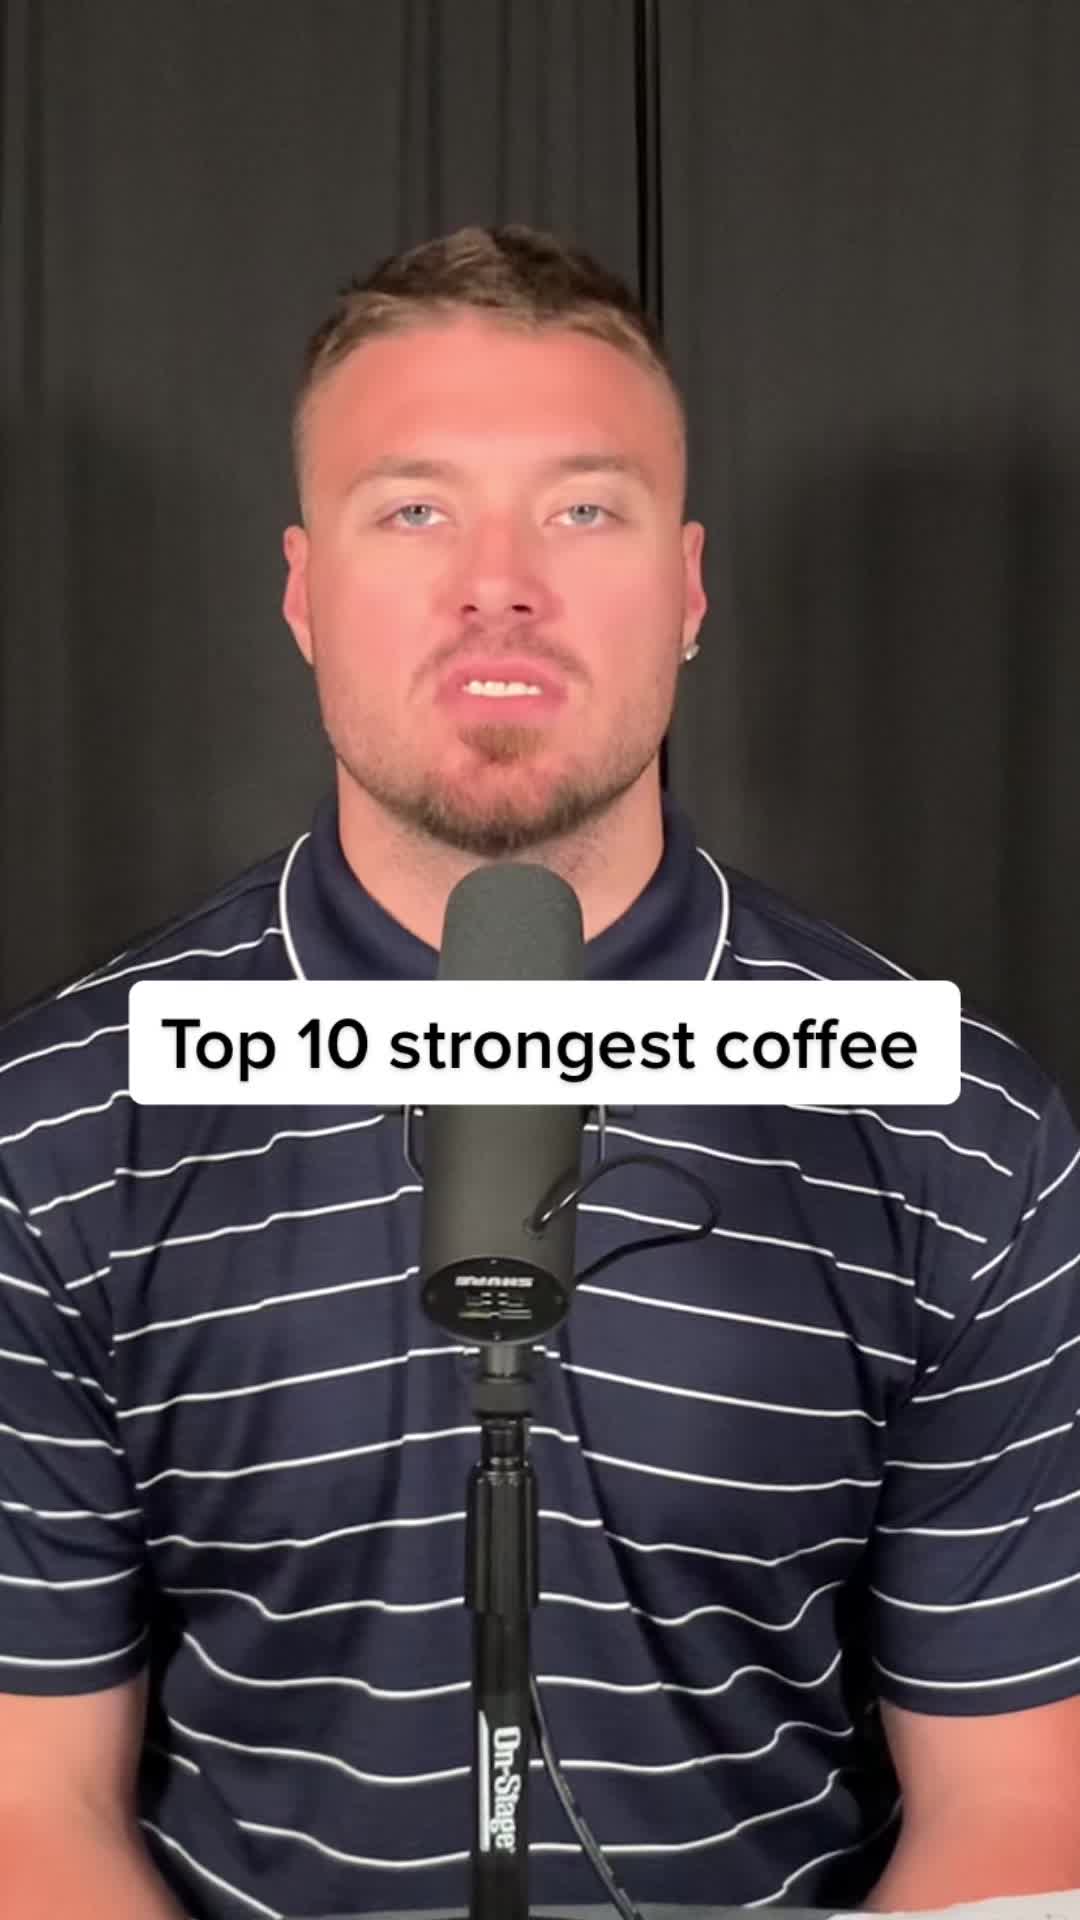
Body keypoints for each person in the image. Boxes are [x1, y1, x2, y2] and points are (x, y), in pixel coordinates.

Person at [1, 223, 1080, 1920]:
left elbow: (1020, 1802)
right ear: (301, 592)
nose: (498, 582)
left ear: (690, 589)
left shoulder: (960, 1135)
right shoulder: (60, 1129)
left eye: (584, 511)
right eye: (414, 511)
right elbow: (26, 1802)